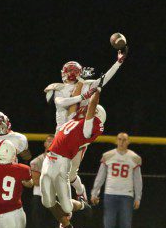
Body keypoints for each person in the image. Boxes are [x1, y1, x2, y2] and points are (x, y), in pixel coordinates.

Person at [44, 49, 127, 201]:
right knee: (60, 175)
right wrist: (83, 95)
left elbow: (104, 80)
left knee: (69, 174)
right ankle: (76, 195)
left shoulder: (86, 85)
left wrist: (118, 63)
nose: (70, 74)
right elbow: (61, 102)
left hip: (77, 135)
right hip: (62, 132)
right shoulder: (58, 88)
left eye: (72, 72)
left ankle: (75, 198)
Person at [41, 87, 104, 228]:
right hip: (49, 159)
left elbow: (91, 107)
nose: (83, 110)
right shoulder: (74, 120)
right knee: (46, 202)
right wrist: (77, 84)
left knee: (67, 207)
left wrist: (96, 92)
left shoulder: (87, 128)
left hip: (62, 162)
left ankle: (83, 206)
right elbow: (75, 104)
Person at [90, 133, 142, 228]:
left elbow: (138, 179)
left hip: (127, 195)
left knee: (125, 227)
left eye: (124, 140)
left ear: (128, 142)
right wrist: (95, 192)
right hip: (110, 194)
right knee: (108, 226)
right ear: (116, 141)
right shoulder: (108, 155)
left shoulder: (134, 158)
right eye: (120, 139)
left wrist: (138, 197)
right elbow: (101, 175)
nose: (122, 142)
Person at [30, 134, 59, 228]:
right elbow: (36, 181)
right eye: (48, 141)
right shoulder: (37, 161)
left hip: (54, 197)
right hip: (40, 197)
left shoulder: (61, 161)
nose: (51, 142)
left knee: (53, 227)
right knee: (38, 226)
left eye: (54, 141)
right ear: (45, 144)